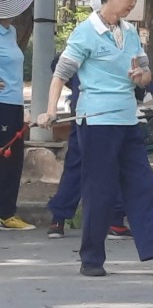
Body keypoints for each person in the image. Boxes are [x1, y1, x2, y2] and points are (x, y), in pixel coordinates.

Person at [37, 0, 153, 277]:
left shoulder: (131, 33)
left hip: (128, 121)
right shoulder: (85, 33)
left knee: (144, 186)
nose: (133, 3)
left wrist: (141, 77)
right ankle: (91, 259)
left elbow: (146, 74)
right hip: (96, 123)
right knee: (101, 190)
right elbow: (60, 74)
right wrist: (50, 110)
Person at [46, 53, 132, 240]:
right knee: (110, 165)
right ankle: (115, 220)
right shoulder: (106, 41)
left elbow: (58, 66)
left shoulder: (86, 39)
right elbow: (58, 67)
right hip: (103, 111)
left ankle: (58, 219)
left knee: (77, 163)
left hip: (87, 108)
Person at [0, 0, 36, 231]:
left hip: (14, 102)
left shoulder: (10, 32)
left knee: (13, 159)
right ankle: (4, 213)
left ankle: (7, 212)